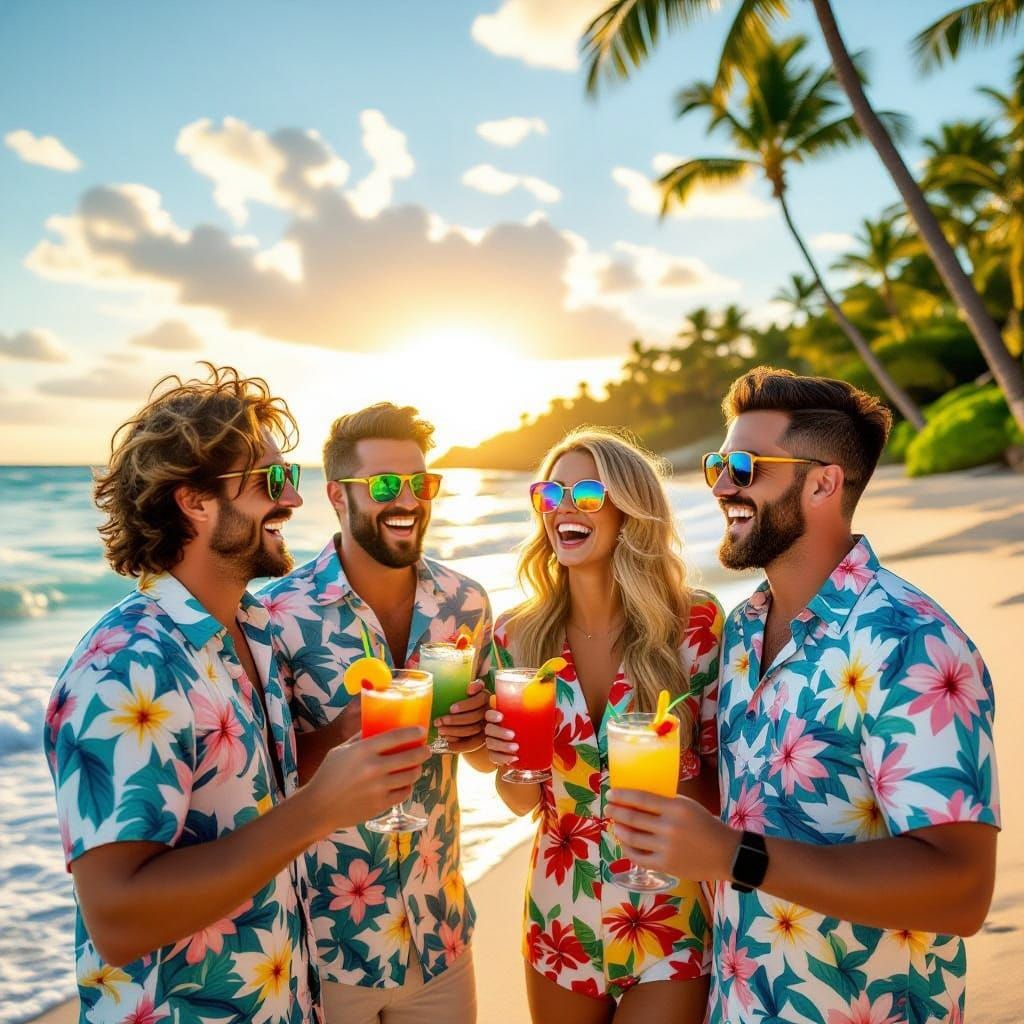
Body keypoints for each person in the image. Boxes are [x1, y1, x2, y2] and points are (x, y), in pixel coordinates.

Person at [608, 367, 1000, 1024]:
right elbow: (753, 806)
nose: (722, 485)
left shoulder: (912, 642)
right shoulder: (742, 630)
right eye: (716, 465)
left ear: (822, 482)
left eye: (743, 466)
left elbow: (960, 891)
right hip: (741, 1004)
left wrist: (733, 855)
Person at [43, 366, 429, 1024]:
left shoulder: (247, 628)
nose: (294, 502)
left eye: (292, 479)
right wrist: (316, 813)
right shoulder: (127, 668)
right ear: (195, 501)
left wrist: (335, 737)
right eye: (272, 482)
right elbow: (118, 918)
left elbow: (247, 789)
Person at [261, 402, 493, 1024]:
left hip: (440, 932)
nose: (408, 500)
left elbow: (483, 753)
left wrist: (478, 734)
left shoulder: (466, 603)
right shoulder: (276, 615)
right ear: (338, 496)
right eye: (386, 485)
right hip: (326, 944)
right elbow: (267, 780)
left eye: (421, 484)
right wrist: (341, 733)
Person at [483, 427, 723, 1024]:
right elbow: (518, 801)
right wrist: (510, 762)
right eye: (550, 493)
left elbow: (723, 787)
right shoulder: (516, 636)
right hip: (558, 911)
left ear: (629, 511)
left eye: (586, 493)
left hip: (668, 904)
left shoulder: (694, 626)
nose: (563, 506)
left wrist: (674, 773)